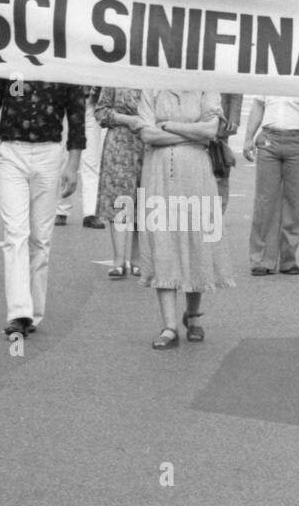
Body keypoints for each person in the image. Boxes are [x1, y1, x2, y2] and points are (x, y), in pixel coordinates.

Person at [136, 89, 234, 349]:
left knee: (196, 240)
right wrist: (189, 133)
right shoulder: (152, 86)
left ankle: (192, 315)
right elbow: (147, 134)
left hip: (197, 175)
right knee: (163, 241)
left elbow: (210, 131)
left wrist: (169, 127)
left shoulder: (205, 84)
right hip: (158, 174)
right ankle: (169, 326)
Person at [0, 78, 85, 337]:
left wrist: (73, 165)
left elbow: (77, 116)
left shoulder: (63, 61)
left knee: (41, 239)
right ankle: (19, 313)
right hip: (11, 150)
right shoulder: (9, 56)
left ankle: (33, 312)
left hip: (49, 153)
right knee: (15, 233)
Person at [242, 95, 299, 275]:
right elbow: (258, 104)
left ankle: (288, 259)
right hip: (268, 138)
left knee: (294, 202)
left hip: (298, 139)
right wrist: (248, 137)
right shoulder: (269, 73)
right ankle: (261, 260)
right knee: (265, 202)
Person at [92, 86, 145, 278]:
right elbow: (101, 112)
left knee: (144, 199)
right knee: (119, 199)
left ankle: (138, 259)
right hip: (120, 142)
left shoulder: (156, 75)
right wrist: (127, 119)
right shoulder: (116, 77)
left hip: (150, 142)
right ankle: (119, 260)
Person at [56, 88, 105, 228]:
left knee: (91, 161)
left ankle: (91, 213)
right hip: (67, 103)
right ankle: (61, 209)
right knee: (63, 158)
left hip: (90, 103)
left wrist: (99, 89)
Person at [216, 94, 244, 213]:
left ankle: (219, 211)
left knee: (219, 170)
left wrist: (234, 118)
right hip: (194, 121)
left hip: (220, 125)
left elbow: (235, 88)